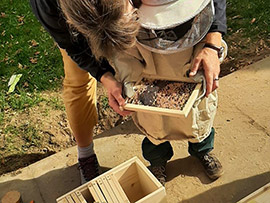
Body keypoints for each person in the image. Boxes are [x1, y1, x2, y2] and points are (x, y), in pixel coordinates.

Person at [30, 0, 227, 185]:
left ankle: (202, 150)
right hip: (123, 47)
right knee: (151, 127)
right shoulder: (48, 6)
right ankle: (93, 155)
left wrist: (213, 42)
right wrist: (106, 77)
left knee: (197, 121)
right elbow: (74, 45)